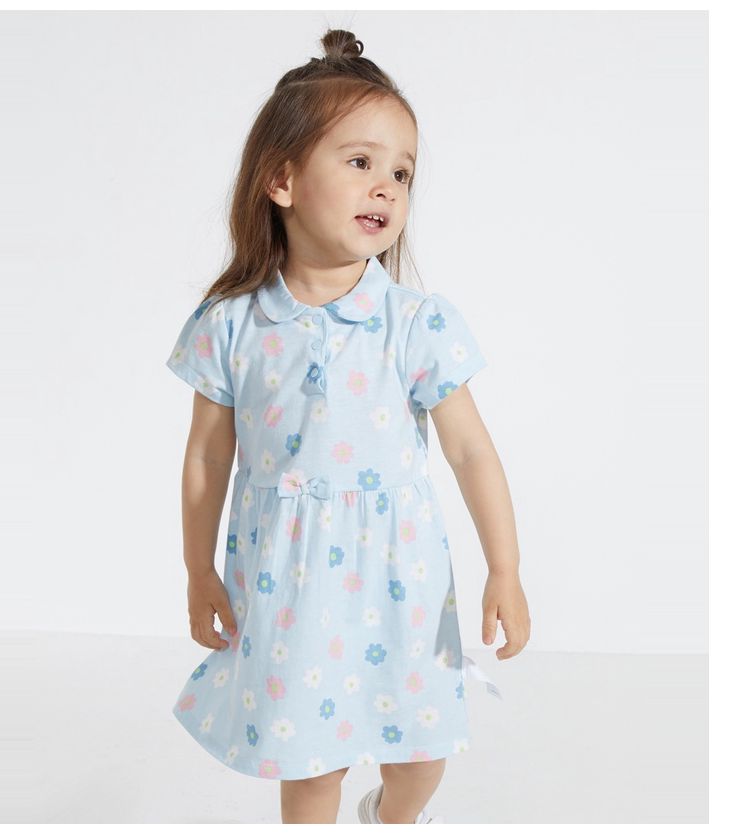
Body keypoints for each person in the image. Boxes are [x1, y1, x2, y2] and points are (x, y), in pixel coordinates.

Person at [166, 29, 530, 825]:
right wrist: (197, 569)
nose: (386, 188)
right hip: (287, 584)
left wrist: (504, 568)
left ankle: (391, 815)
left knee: (422, 753)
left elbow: (471, 450)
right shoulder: (231, 324)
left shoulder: (415, 323)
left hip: (402, 577)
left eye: (401, 173)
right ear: (283, 179)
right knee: (311, 762)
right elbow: (206, 457)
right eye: (361, 162)